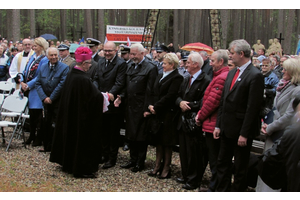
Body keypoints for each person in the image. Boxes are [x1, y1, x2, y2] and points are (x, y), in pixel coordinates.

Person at [213, 39, 264, 192]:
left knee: (240, 166)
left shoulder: (255, 75)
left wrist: (244, 134)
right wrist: (218, 124)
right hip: (226, 128)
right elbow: (224, 101)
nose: (230, 56)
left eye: (232, 53)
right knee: (222, 163)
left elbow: (252, 108)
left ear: (241, 54)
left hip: (241, 131)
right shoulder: (232, 72)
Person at [49, 47, 107, 179]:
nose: (90, 66)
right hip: (81, 119)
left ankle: (68, 163)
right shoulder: (82, 79)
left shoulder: (72, 74)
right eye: (89, 63)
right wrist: (106, 97)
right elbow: (94, 98)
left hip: (73, 116)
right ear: (83, 63)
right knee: (81, 141)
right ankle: (81, 168)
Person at [257, 57, 300, 191]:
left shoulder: (296, 90)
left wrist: (270, 127)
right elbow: (275, 108)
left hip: (283, 134)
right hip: (274, 129)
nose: (283, 70)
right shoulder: (284, 85)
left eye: (286, 69)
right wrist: (268, 124)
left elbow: (289, 116)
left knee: (276, 168)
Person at [116, 43, 158, 173]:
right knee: (130, 134)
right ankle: (132, 159)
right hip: (129, 105)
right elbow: (125, 86)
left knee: (140, 136)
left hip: (141, 106)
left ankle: (140, 161)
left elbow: (151, 90)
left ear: (142, 53)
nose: (132, 56)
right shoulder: (130, 65)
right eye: (131, 54)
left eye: (134, 54)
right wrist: (121, 96)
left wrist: (147, 108)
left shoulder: (150, 68)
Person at [195, 49, 229, 192]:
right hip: (211, 122)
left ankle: (215, 189)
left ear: (221, 62)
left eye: (213, 61)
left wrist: (200, 116)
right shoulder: (219, 76)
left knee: (215, 160)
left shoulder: (221, 78)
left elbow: (212, 102)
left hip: (213, 123)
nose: (210, 63)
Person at [175, 52, 210, 190]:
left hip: (193, 122)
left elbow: (203, 102)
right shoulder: (185, 78)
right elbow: (177, 95)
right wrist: (180, 102)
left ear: (196, 64)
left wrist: (188, 105)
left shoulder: (206, 80)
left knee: (193, 152)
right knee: (183, 151)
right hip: (182, 121)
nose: (185, 64)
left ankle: (193, 179)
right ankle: (185, 175)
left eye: (188, 62)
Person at [147, 53, 183, 179]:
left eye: (165, 63)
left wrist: (156, 107)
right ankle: (157, 165)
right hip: (157, 113)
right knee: (158, 141)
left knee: (167, 142)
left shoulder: (177, 77)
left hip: (168, 114)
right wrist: (151, 105)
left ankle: (166, 167)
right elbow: (153, 91)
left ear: (172, 64)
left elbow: (170, 96)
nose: (162, 65)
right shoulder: (161, 75)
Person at [93, 41, 126, 169]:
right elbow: (96, 78)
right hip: (101, 100)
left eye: (110, 51)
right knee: (103, 130)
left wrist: (109, 95)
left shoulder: (121, 64)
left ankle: (112, 158)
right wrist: (97, 92)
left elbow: (120, 82)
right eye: (105, 50)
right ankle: (104, 154)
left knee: (113, 132)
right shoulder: (100, 62)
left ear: (115, 50)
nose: (107, 53)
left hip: (113, 103)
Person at [36, 47, 69, 152]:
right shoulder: (43, 67)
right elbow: (38, 83)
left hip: (57, 101)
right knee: (46, 123)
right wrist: (44, 97)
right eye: (51, 55)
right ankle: (47, 146)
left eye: (56, 54)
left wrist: (51, 98)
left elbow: (62, 84)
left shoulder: (64, 68)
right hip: (46, 101)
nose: (54, 57)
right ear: (47, 56)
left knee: (57, 124)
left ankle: (56, 148)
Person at [19, 37, 49, 146]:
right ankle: (31, 136)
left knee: (38, 115)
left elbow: (40, 75)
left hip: (36, 89)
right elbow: (25, 70)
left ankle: (38, 137)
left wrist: (28, 85)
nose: (33, 47)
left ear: (41, 47)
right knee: (31, 115)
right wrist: (22, 81)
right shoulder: (32, 57)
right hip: (27, 88)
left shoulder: (44, 59)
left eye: (35, 46)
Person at [260, 58, 279, 124]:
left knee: (267, 119)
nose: (264, 67)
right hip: (259, 100)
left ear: (270, 66)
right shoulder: (259, 74)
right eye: (263, 65)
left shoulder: (273, 77)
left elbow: (276, 90)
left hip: (268, 102)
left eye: (266, 65)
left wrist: (266, 91)